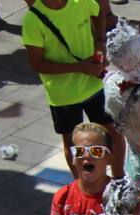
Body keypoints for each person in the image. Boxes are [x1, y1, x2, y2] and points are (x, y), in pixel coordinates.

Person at [22, 0, 122, 177]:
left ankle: (119, 180)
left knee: (113, 134)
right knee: (73, 144)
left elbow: (98, 12)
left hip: (93, 84)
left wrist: (100, 42)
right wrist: (80, 67)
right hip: (63, 95)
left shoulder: (82, 2)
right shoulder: (32, 20)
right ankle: (81, 186)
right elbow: (37, 64)